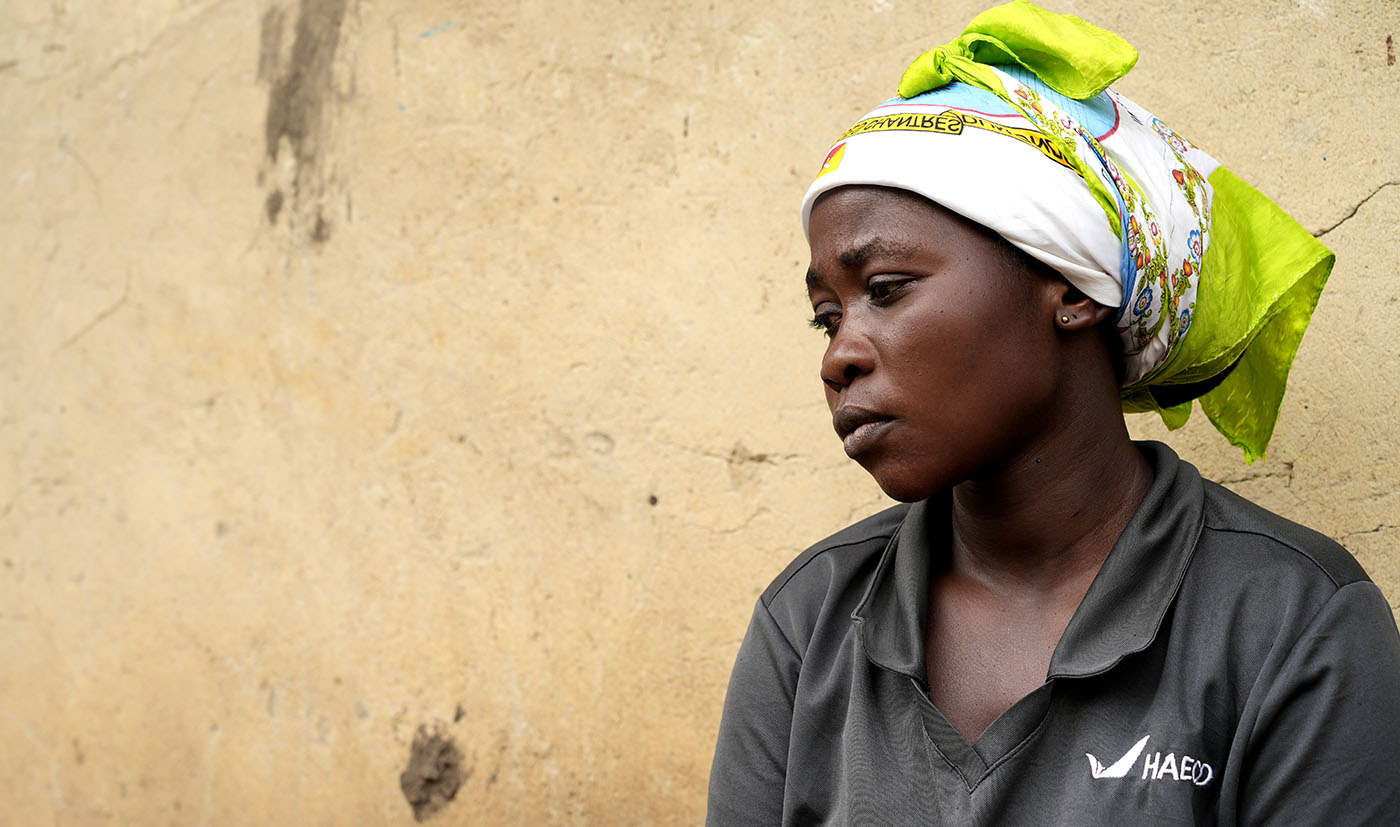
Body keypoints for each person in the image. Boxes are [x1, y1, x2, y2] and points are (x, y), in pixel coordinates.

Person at [706, 3, 1400, 824]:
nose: (838, 356)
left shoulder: (1291, 623)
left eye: (886, 290)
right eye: (828, 316)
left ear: (1070, 286)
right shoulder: (809, 622)